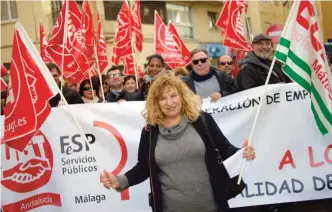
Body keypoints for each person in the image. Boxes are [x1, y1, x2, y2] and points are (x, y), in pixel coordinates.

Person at [100, 74, 256, 212]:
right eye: (162, 98)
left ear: (182, 96)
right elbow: (143, 168)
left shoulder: (202, 120)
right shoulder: (149, 132)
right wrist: (119, 181)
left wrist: (242, 153)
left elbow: (224, 148)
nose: (169, 102)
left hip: (213, 207)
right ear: (156, 103)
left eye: (173, 96)